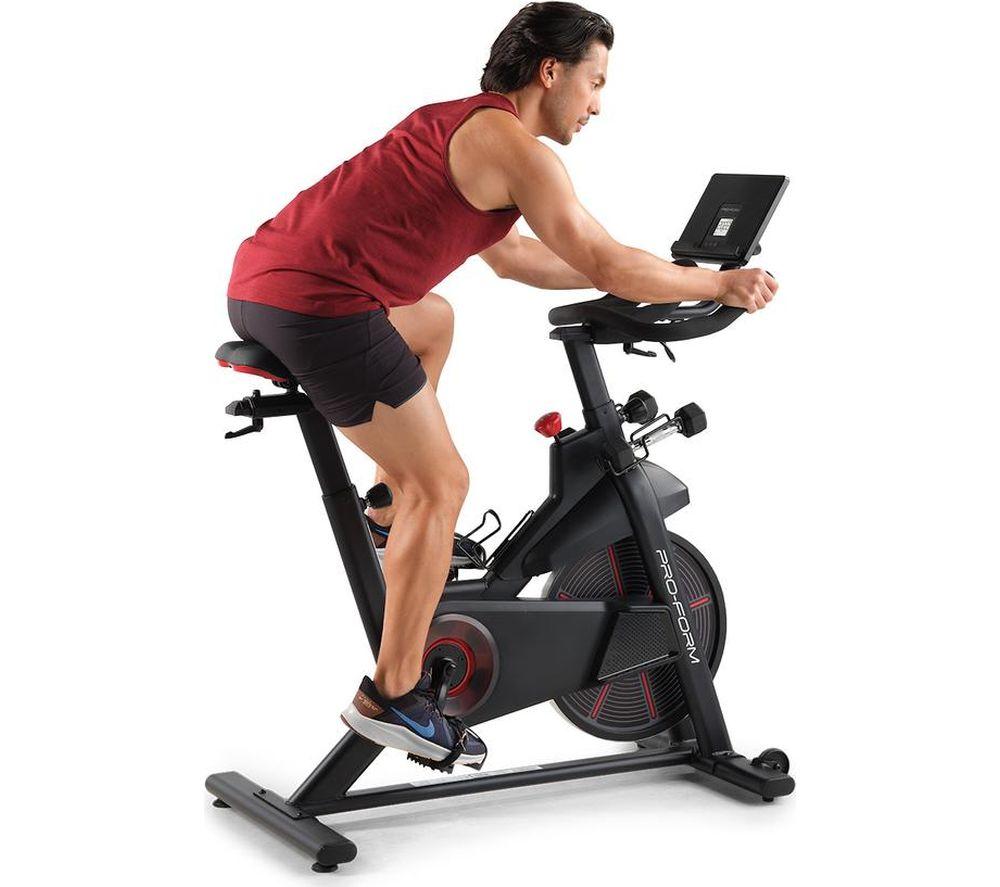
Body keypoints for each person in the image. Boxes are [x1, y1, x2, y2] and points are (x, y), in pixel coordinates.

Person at [225, 1, 778, 770]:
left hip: (262, 284)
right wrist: (715, 283)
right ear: (551, 72)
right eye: (594, 82)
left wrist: (653, 273)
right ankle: (393, 694)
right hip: (319, 307)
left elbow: (520, 258)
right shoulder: (518, 150)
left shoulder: (466, 124)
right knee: (444, 482)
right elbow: (601, 258)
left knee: (433, 319)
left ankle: (387, 512)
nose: (597, 104)